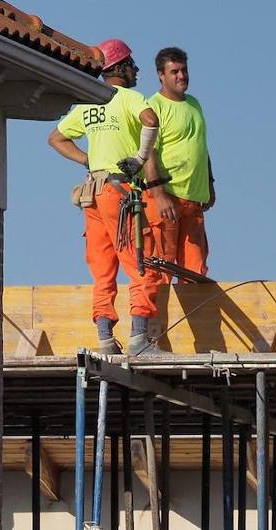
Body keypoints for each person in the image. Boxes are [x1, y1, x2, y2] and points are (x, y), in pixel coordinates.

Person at [48, 38, 162, 355]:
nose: (136, 70)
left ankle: (105, 338)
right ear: (120, 68)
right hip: (120, 191)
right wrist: (140, 157)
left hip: (94, 193)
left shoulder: (89, 102)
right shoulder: (128, 97)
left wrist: (87, 159)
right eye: (132, 65)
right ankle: (139, 339)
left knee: (102, 265)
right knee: (141, 262)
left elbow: (56, 138)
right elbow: (151, 120)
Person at [144, 47, 214, 277]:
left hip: (193, 200)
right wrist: (159, 195)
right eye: (174, 71)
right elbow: (147, 154)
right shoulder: (154, 106)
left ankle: (195, 314)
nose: (181, 76)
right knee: (161, 267)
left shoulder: (194, 103)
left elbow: (200, 146)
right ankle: (156, 314)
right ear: (161, 75)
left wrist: (210, 184)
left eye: (184, 70)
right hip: (167, 198)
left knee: (195, 271)